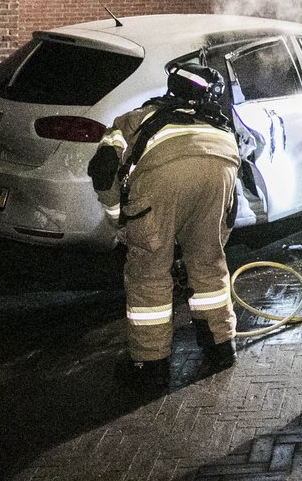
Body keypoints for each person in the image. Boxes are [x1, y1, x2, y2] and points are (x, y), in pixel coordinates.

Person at [88, 62, 243, 392]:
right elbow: (231, 206)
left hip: (162, 178)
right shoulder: (220, 124)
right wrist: (215, 240)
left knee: (149, 271)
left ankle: (150, 365)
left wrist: (121, 221)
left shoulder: (135, 119)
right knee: (207, 263)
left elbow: (102, 171)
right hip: (222, 168)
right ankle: (221, 346)